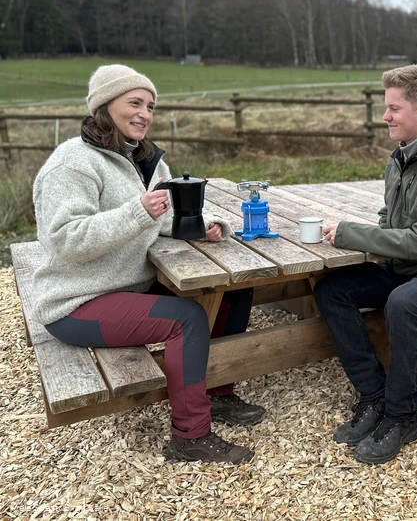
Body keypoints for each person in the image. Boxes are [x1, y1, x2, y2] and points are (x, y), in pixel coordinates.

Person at [31, 65, 265, 464]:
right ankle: (190, 436)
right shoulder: (72, 163)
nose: (145, 113)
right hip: (77, 300)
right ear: (105, 105)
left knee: (232, 289)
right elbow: (65, 240)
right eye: (134, 103)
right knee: (186, 318)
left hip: (130, 286)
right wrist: (137, 212)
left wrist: (203, 225)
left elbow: (161, 217)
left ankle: (217, 391)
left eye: (151, 106)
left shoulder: (147, 159)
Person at [314, 64, 417, 465]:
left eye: (393, 108)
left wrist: (350, 234)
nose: (385, 116)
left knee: (404, 304)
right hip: (405, 267)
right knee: (331, 290)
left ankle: (402, 415)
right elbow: (390, 220)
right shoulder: (401, 158)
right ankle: (373, 395)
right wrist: (363, 238)